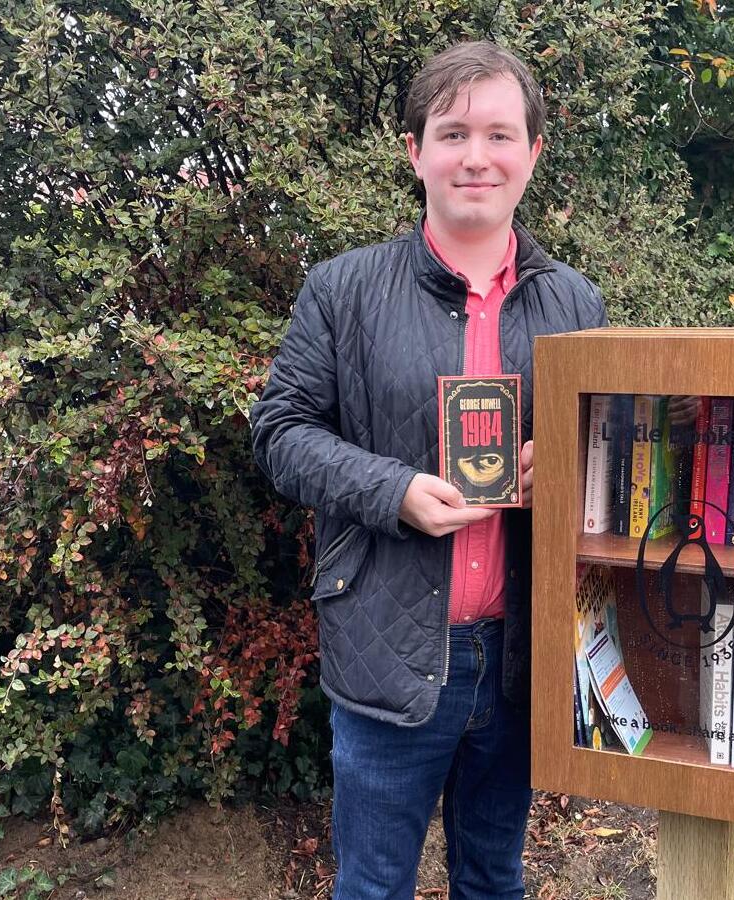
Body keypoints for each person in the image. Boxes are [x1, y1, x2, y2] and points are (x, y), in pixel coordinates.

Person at [250, 40, 607, 900]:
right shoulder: (342, 290)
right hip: (389, 652)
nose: (476, 156)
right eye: (452, 134)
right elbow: (279, 434)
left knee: (494, 878)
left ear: (532, 152)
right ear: (415, 153)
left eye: (498, 134)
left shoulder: (575, 302)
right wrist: (394, 491)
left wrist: (563, 468)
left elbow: (608, 452)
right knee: (373, 886)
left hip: (522, 655)